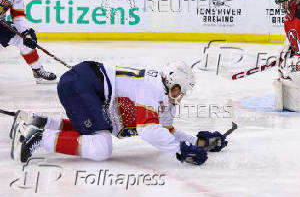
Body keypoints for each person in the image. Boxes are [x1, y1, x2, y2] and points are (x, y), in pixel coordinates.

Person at [11, 60, 227, 165]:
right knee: (101, 147)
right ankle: (37, 137)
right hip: (85, 85)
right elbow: (148, 131)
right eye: (181, 90)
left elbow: (166, 131)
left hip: (88, 85)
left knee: (94, 130)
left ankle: (36, 122)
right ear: (172, 82)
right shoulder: (151, 88)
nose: (181, 96)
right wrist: (180, 152)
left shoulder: (162, 94)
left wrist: (197, 142)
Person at [0, 0, 56, 84]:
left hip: (1, 24)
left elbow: (18, 16)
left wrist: (26, 32)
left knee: (24, 41)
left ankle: (37, 70)